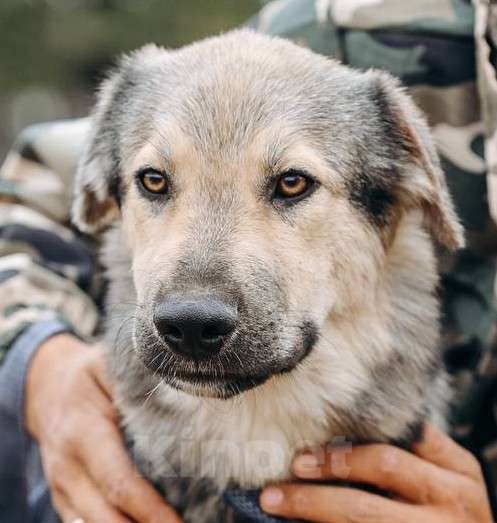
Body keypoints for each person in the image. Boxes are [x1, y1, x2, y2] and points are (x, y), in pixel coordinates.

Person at [0, 0, 495, 521]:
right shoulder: (349, 24)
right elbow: (34, 192)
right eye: (155, 182)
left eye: (291, 184)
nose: (193, 307)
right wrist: (39, 362)